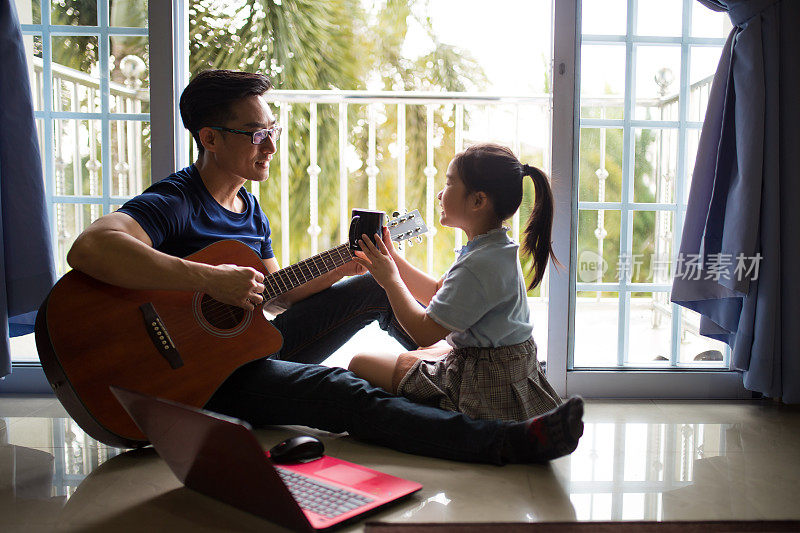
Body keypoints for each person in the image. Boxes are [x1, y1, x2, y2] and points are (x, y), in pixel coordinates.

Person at [66, 69, 583, 464]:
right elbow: (90, 248)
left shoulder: (249, 208)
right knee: (340, 390)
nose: (269, 144)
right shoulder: (178, 200)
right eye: (253, 133)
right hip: (198, 377)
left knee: (376, 288)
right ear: (210, 138)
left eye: (272, 129)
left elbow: (279, 293)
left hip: (243, 345)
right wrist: (208, 278)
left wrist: (350, 263)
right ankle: (501, 442)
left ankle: (450, 384)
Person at [349, 143, 566, 423]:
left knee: (359, 363)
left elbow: (424, 332)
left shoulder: (479, 264)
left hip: (483, 383)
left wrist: (390, 280)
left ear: (478, 201)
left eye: (449, 183)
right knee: (420, 355)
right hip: (501, 365)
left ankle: (424, 421)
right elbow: (437, 295)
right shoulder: (492, 248)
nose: (440, 193)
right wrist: (392, 258)